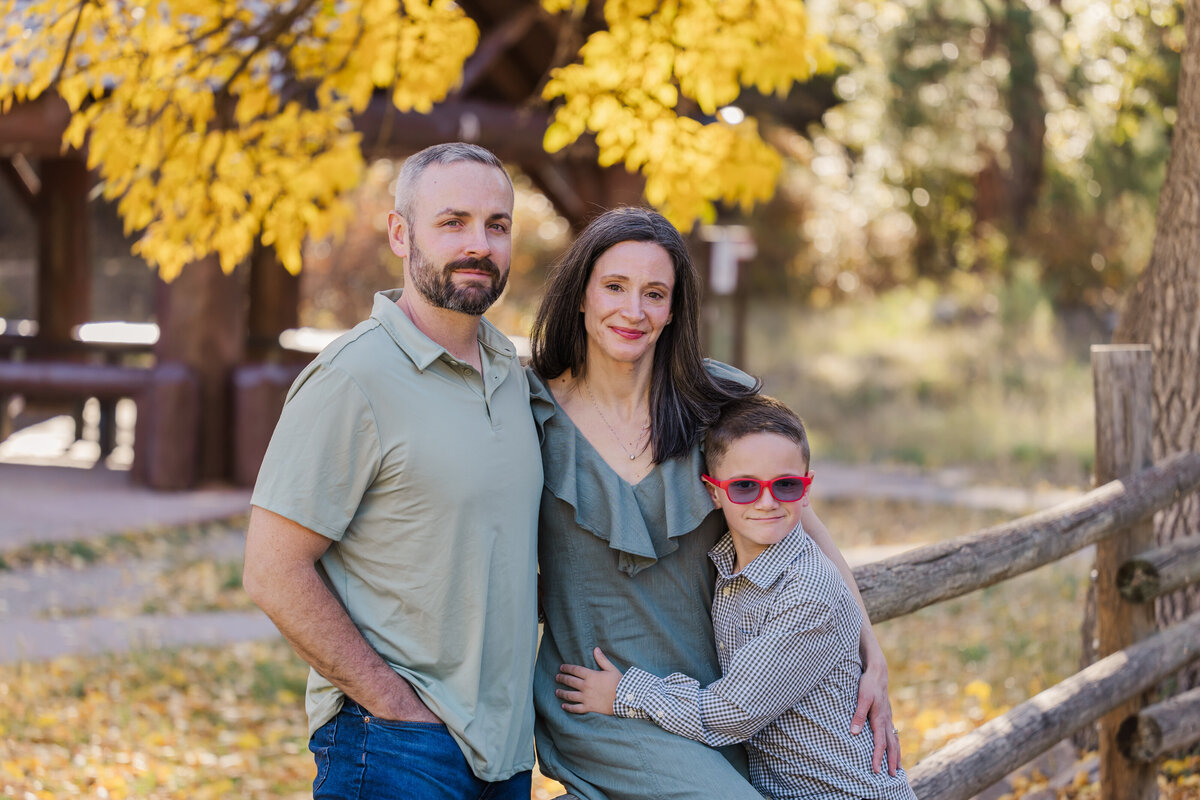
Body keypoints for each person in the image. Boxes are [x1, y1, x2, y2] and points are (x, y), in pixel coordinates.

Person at [527, 206, 900, 800]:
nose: (633, 310)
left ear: (673, 309)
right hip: (600, 699)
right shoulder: (532, 413)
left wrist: (869, 651)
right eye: (615, 287)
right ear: (581, 294)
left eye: (654, 293)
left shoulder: (713, 402)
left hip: (718, 699)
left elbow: (803, 524)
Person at [242, 142, 542, 799]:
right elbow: (272, 569)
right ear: (400, 234)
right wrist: (394, 704)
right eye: (453, 222)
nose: (480, 244)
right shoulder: (352, 377)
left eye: (497, 225)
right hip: (396, 750)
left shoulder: (514, 377)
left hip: (506, 754)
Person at [555, 395, 916, 800]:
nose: (767, 502)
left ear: (807, 489)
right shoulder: (728, 564)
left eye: (786, 485)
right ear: (714, 493)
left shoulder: (807, 593)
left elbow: (734, 713)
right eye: (745, 487)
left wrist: (624, 693)